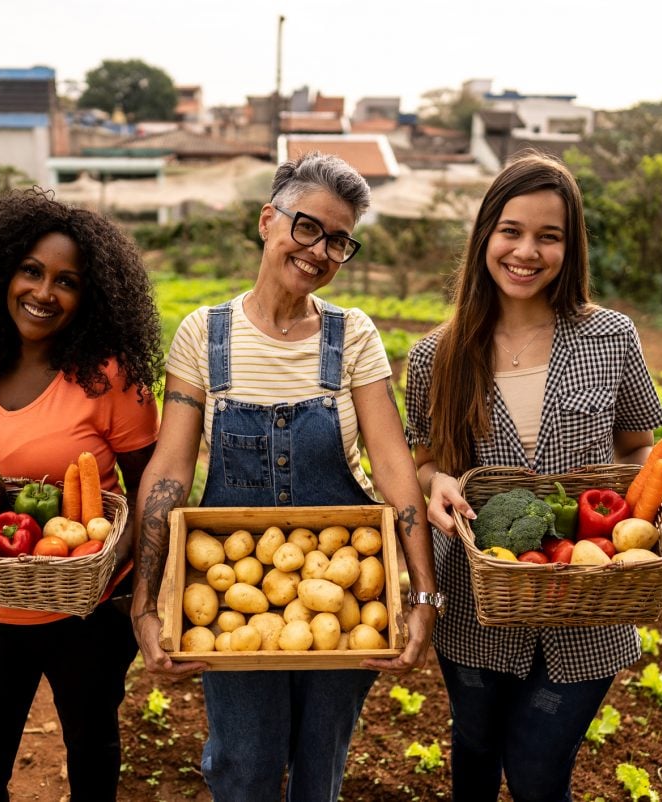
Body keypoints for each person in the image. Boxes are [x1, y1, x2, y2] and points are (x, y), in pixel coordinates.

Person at [130, 152, 440, 802]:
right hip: (229, 592)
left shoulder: (351, 336)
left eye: (338, 239)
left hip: (348, 581)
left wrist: (422, 596)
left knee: (319, 767)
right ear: (268, 220)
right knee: (243, 766)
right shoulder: (203, 335)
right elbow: (170, 470)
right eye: (307, 227)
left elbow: (393, 468)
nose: (320, 249)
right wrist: (146, 597)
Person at [404, 151, 662, 802]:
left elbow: (641, 446)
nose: (527, 251)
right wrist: (435, 480)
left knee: (538, 771)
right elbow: (422, 460)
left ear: (568, 247)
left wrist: (617, 513)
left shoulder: (611, 336)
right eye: (512, 231)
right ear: (485, 236)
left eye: (548, 236)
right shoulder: (435, 355)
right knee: (472, 748)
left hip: (588, 604)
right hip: (476, 602)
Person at [0, 188, 163, 802]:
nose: (44, 292)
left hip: (83, 609)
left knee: (92, 754)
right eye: (31, 271)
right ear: (3, 272)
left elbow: (152, 487)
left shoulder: (110, 377)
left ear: (90, 296)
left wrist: (110, 577)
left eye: (66, 281)